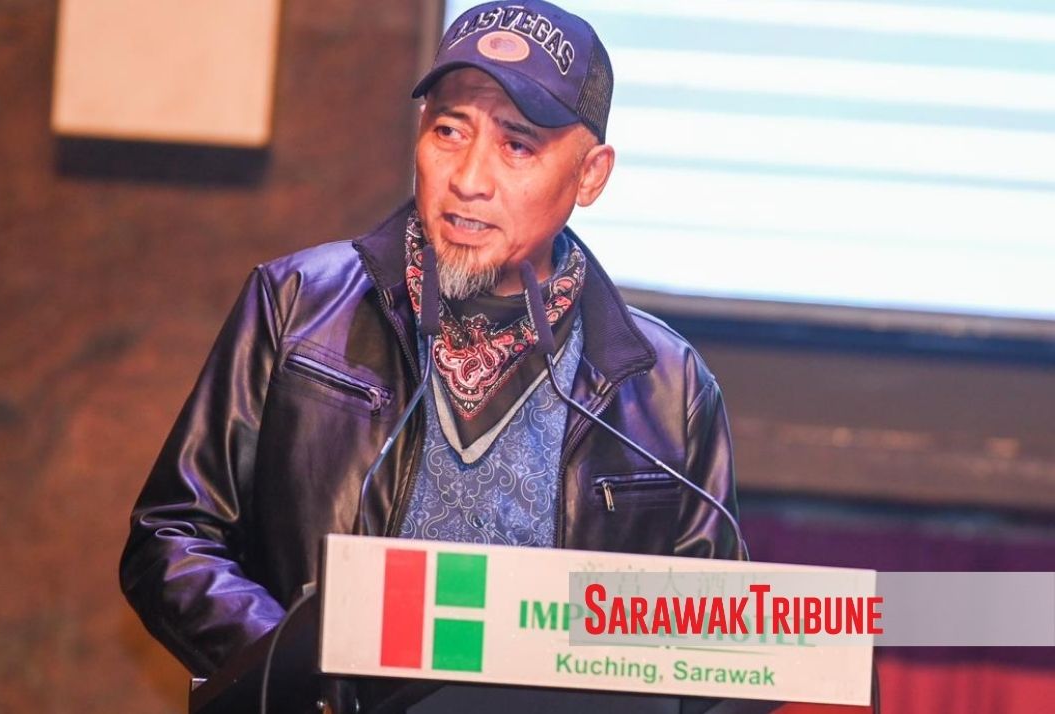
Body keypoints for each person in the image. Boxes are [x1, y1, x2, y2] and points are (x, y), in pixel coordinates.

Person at [120, 0, 738, 697]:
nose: (468, 178)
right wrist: (296, 670)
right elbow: (172, 537)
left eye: (517, 146)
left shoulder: (668, 388)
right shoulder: (296, 306)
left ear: (591, 174)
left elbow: (713, 644)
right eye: (449, 130)